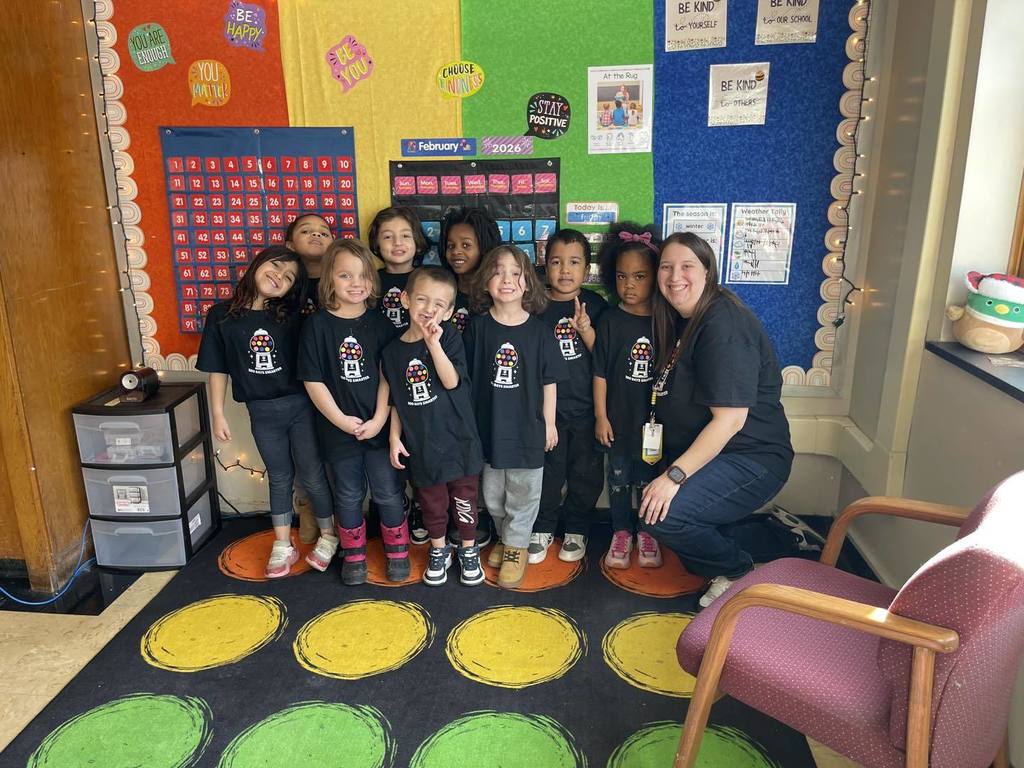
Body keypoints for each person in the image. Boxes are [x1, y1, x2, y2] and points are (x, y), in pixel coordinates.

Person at [639, 231, 793, 608]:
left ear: (708, 272)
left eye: (687, 266)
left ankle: (739, 571)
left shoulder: (723, 324)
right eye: (666, 267)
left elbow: (730, 421)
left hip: (752, 458)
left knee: (663, 517)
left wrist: (674, 477)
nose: (676, 276)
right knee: (657, 506)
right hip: (721, 456)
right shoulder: (684, 319)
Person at [197, 245, 335, 578]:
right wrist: (217, 413)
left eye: (288, 277)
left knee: (313, 474)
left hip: (301, 407)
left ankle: (330, 535)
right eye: (275, 267)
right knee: (279, 476)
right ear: (257, 264)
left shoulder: (292, 316)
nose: (279, 277)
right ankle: (282, 542)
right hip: (261, 412)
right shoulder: (221, 315)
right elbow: (218, 369)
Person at [298, 238, 410, 585]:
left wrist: (378, 419)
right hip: (337, 429)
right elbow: (313, 380)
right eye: (346, 276)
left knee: (388, 491)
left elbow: (388, 378)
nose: (356, 283)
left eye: (362, 275)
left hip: (377, 427)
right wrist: (342, 421)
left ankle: (398, 551)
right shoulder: (317, 326)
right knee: (347, 492)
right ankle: (355, 553)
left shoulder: (382, 326)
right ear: (329, 279)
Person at [463, 245, 566, 588]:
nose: (506, 279)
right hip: (489, 425)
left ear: (527, 283)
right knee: (492, 493)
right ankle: (507, 539)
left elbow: (549, 382)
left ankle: (517, 546)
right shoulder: (477, 328)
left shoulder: (539, 332)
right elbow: (467, 379)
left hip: (527, 428)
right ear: (485, 281)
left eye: (515, 272)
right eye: (497, 271)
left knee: (523, 491)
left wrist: (549, 423)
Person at [383, 267, 486, 586]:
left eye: (439, 304)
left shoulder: (449, 337)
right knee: (432, 503)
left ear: (450, 311)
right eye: (422, 299)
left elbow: (451, 380)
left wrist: (434, 345)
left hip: (459, 440)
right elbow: (397, 399)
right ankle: (439, 549)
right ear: (405, 299)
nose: (430, 309)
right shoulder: (391, 351)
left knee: (465, 500)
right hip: (423, 444)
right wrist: (394, 436)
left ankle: (468, 549)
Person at [528, 229, 607, 564]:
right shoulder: (535, 305)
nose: (564, 270)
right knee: (547, 472)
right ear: (545, 265)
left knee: (585, 472)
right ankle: (542, 527)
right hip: (548, 412)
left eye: (574, 262)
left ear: (586, 269)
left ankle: (577, 527)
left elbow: (603, 358)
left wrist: (586, 328)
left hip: (587, 408)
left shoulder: (597, 305)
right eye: (556, 261)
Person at [593, 224, 663, 570]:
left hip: (655, 425)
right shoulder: (609, 319)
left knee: (650, 480)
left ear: (655, 277)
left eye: (639, 276)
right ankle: (621, 530)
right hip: (617, 420)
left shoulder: (667, 320)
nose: (629, 285)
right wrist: (601, 416)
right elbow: (601, 372)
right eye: (621, 276)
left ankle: (648, 532)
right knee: (618, 479)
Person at [284, 213, 334, 544]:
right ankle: (306, 507)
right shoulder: (284, 286)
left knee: (335, 452)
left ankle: (339, 517)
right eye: (306, 231)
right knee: (302, 455)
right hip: (293, 386)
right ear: (289, 245)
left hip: (338, 383)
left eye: (324, 232)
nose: (316, 235)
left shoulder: (342, 283)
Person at [440, 206, 502, 335]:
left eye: (466, 245)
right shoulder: (439, 294)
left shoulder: (499, 297)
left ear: (484, 248)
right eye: (450, 246)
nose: (456, 251)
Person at [369, 206, 429, 334]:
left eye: (406, 235)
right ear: (376, 244)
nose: (397, 242)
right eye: (388, 237)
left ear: (417, 242)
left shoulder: (428, 279)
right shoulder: (370, 281)